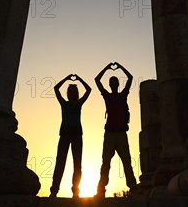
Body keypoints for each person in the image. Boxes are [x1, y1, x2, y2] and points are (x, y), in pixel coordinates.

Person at [94, 62, 137, 197]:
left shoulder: (122, 95)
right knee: (105, 163)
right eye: (111, 83)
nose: (113, 85)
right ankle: (101, 190)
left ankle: (134, 189)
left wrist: (120, 66)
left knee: (126, 162)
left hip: (121, 134)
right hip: (110, 133)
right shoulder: (108, 96)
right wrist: (107, 68)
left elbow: (130, 78)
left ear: (117, 84)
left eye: (114, 82)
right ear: (110, 85)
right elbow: (97, 80)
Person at [50, 73, 91, 198]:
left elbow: (89, 90)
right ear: (68, 93)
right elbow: (56, 89)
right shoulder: (64, 103)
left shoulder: (79, 103)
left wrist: (80, 79)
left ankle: (75, 192)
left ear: (76, 93)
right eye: (71, 90)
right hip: (65, 135)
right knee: (60, 162)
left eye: (74, 90)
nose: (72, 93)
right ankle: (54, 191)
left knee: (77, 164)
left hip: (77, 135)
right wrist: (66, 79)